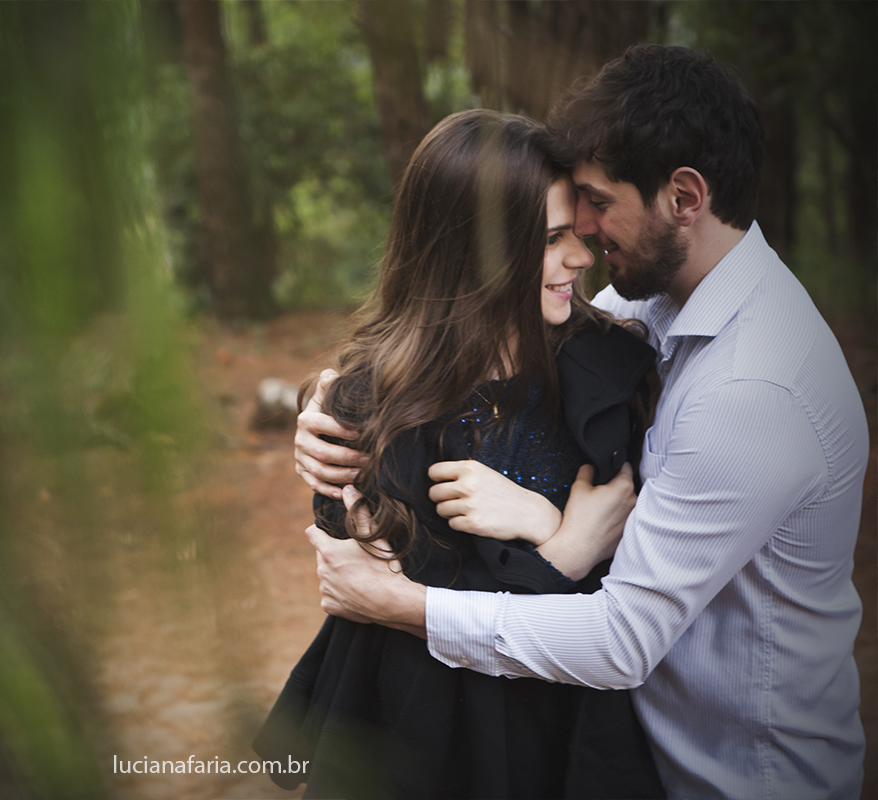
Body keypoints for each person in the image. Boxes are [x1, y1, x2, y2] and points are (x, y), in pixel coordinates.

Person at [295, 45, 868, 799]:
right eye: (561, 225)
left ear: (684, 198)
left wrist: (411, 602)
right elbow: (488, 328)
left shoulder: (751, 386)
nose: (587, 243)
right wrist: (328, 405)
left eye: (597, 203)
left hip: (732, 776)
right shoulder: (654, 309)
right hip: (591, 747)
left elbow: (620, 637)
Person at [255, 108, 665, 799]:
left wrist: (537, 519)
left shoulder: (609, 369)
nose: (583, 258)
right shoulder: (367, 407)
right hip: (419, 743)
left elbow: (641, 593)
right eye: (554, 238)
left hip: (564, 734)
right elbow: (388, 614)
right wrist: (564, 549)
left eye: (579, 233)